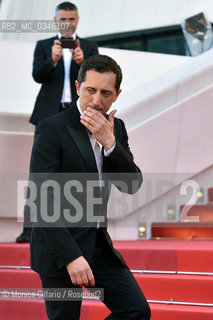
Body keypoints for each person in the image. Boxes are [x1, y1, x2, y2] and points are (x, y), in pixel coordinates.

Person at [29, 54, 151, 320]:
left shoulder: (115, 128)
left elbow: (132, 184)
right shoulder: (52, 129)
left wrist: (110, 144)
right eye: (90, 90)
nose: (97, 101)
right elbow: (40, 200)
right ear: (77, 87)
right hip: (58, 249)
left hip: (97, 246)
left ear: (117, 95)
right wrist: (71, 257)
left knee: (137, 311)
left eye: (106, 93)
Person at [16, 1, 98, 243]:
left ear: (77, 20)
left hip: (79, 117)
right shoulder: (43, 46)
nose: (67, 24)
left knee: (82, 172)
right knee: (39, 173)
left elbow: (97, 82)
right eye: (63, 19)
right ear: (55, 21)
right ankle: (30, 229)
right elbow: (37, 76)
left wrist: (84, 64)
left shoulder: (90, 47)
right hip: (47, 116)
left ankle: (82, 229)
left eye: (71, 19)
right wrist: (52, 60)